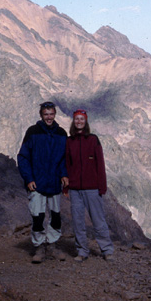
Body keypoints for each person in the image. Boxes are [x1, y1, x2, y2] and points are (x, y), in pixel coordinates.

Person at [17, 101, 69, 263]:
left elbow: (63, 159)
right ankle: (39, 247)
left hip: (54, 183)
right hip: (37, 183)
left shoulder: (61, 134)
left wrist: (64, 174)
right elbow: (23, 157)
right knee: (37, 216)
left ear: (55, 114)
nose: (49, 117)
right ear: (41, 115)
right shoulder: (32, 132)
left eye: (51, 114)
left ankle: (52, 245)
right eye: (46, 114)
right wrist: (29, 178)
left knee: (55, 216)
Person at [64, 108, 114, 261]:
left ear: (86, 122)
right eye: (76, 119)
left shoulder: (93, 139)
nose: (79, 121)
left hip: (92, 188)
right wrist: (66, 186)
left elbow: (100, 164)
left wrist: (102, 186)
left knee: (98, 220)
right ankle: (82, 252)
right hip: (74, 189)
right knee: (78, 222)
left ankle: (106, 250)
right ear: (74, 122)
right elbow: (67, 165)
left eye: (82, 119)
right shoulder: (69, 141)